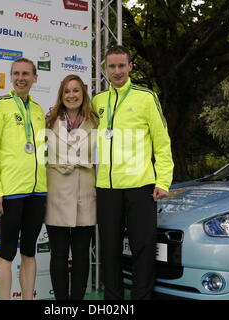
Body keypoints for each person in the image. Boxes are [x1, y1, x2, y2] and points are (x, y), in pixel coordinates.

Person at [91, 45, 174, 300]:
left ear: (130, 67)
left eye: (121, 65)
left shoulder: (146, 97)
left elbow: (162, 142)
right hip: (107, 187)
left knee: (143, 248)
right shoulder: (98, 101)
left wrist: (163, 181)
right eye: (111, 66)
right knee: (110, 250)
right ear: (105, 69)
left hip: (141, 186)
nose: (116, 71)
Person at [0, 58, 47, 300]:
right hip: (10, 192)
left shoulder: (39, 110)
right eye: (16, 73)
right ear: (11, 77)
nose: (21, 78)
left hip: (38, 191)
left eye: (26, 74)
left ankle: (28, 297)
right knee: (7, 251)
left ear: (35, 78)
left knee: (29, 251)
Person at [45, 74, 99, 300]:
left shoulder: (95, 122)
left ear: (83, 94)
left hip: (84, 193)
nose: (71, 95)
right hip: (56, 193)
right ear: (61, 95)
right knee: (58, 254)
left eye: (76, 90)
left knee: (81, 254)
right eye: (67, 91)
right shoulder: (48, 121)